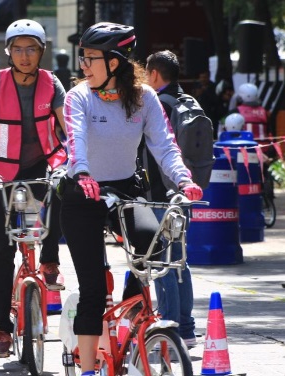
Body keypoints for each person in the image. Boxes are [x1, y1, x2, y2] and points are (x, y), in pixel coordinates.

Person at [59, 22, 203, 376]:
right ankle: (91, 369)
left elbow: (165, 145)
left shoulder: (144, 97)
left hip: (125, 189)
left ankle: (130, 318)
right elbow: (75, 141)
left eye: (90, 58)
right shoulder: (78, 96)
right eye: (83, 58)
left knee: (150, 257)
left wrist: (184, 178)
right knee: (92, 289)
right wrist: (82, 173)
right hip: (83, 191)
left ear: (114, 62)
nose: (84, 65)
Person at [0, 19, 67, 358]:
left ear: (41, 52)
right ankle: (2, 331)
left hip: (40, 165)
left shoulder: (52, 84)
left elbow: (68, 128)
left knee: (57, 199)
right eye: (18, 49)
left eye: (32, 49)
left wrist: (73, 162)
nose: (25, 56)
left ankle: (49, 262)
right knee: (5, 251)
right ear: (9, 52)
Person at [141, 50, 198, 348]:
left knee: (160, 264)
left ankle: (170, 328)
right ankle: (186, 330)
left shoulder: (157, 106)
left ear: (153, 75)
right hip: (184, 192)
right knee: (179, 262)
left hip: (158, 195)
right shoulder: (188, 101)